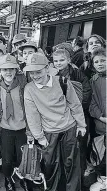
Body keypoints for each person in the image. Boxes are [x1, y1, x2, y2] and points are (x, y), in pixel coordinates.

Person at [23, 53, 86, 191]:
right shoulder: (29, 89)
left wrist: (81, 124)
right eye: (32, 73)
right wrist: (39, 137)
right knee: (50, 165)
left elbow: (74, 104)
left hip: (69, 128)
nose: (35, 76)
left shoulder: (62, 81)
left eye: (38, 71)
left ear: (47, 68)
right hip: (49, 132)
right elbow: (32, 116)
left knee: (71, 164)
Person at [53, 48, 92, 182]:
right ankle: (61, 178)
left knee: (79, 147)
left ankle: (79, 178)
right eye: (56, 61)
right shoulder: (52, 74)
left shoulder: (77, 74)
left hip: (78, 114)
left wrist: (77, 109)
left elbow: (86, 91)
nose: (59, 63)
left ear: (69, 60)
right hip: (60, 116)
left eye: (62, 60)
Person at [0, 54, 29, 191]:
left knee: (22, 157)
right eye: (4, 69)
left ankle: (22, 178)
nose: (8, 72)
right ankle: (8, 179)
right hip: (5, 128)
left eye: (11, 69)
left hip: (22, 128)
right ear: (0, 71)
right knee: (6, 158)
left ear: (16, 70)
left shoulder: (23, 85)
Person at [89, 47, 106, 191]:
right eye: (97, 62)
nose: (100, 64)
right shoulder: (93, 81)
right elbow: (92, 103)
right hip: (101, 126)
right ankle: (103, 180)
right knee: (101, 155)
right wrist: (102, 117)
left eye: (103, 60)